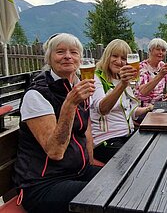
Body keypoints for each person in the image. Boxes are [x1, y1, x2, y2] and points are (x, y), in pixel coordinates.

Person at [13, 33, 101, 213]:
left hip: (77, 173)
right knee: (106, 195)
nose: (68, 56)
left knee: (125, 182)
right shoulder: (37, 95)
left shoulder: (79, 86)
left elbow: (86, 132)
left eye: (74, 52)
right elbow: (55, 152)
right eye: (60, 52)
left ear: (80, 59)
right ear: (49, 59)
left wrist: (90, 168)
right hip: (43, 184)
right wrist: (69, 104)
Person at [90, 39, 153, 163]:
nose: (119, 61)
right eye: (115, 56)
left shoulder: (121, 79)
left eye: (123, 58)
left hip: (126, 135)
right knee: (139, 164)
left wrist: (149, 109)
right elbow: (102, 109)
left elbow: (129, 112)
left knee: (152, 151)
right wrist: (123, 84)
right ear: (107, 56)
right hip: (106, 141)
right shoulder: (96, 77)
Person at [137, 38, 167, 106]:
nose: (161, 53)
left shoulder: (162, 65)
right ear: (150, 51)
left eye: (163, 50)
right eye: (157, 49)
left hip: (159, 105)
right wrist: (160, 75)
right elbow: (143, 92)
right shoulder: (142, 67)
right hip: (142, 108)